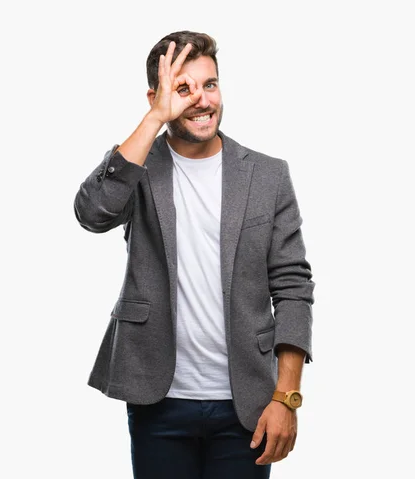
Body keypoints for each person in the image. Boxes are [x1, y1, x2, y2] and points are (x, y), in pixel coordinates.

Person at [74, 30, 315, 479]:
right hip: (158, 398)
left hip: (247, 402)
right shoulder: (139, 166)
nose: (202, 100)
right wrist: (153, 120)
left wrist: (286, 397)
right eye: (183, 89)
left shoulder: (267, 175)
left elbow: (293, 286)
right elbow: (93, 213)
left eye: (210, 84)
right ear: (157, 96)